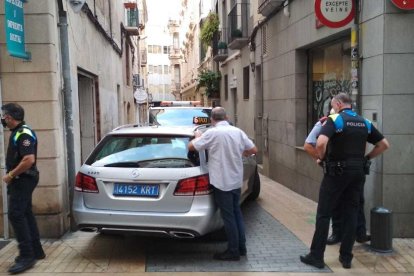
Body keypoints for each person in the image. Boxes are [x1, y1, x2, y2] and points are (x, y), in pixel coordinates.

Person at [300, 93, 389, 269]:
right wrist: (366, 158)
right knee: (351, 213)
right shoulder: (364, 122)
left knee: (324, 213)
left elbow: (320, 143)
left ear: (339, 104)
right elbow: (384, 144)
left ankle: (316, 256)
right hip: (358, 174)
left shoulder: (335, 120)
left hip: (336, 173)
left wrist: (321, 159)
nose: (333, 108)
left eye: (333, 105)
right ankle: (346, 258)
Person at [188, 107, 257, 261]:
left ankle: (233, 252)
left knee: (229, 217)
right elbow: (253, 149)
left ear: (212, 119)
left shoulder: (211, 133)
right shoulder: (237, 132)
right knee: (236, 213)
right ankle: (241, 247)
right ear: (226, 117)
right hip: (235, 181)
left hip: (222, 182)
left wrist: (198, 137)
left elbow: (191, 147)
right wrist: (241, 152)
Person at [304, 109, 371, 246]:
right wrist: (321, 159)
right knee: (335, 204)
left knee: (357, 202)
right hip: (335, 169)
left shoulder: (354, 123)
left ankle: (359, 233)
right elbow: (309, 144)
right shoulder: (324, 123)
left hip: (352, 169)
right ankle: (337, 234)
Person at [1, 103, 45, 274]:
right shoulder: (19, 132)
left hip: (23, 179)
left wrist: (10, 175)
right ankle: (36, 251)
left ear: (10, 117)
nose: (3, 119)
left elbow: (28, 159)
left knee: (15, 214)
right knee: (25, 213)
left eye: (4, 116)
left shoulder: (23, 133)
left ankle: (27, 256)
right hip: (23, 179)